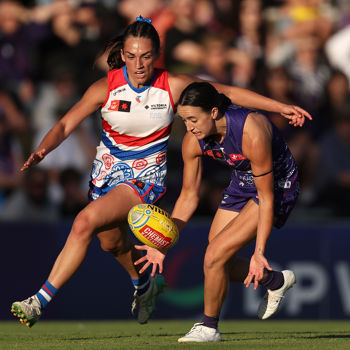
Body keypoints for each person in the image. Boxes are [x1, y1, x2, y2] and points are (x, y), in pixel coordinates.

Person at [10, 16, 310, 328]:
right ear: (123, 55)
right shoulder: (106, 87)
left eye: (146, 56)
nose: (139, 64)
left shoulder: (173, 85)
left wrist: (278, 107)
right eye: (132, 56)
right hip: (106, 175)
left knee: (84, 222)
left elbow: (226, 92)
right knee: (111, 244)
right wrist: (44, 148)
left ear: (157, 54)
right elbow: (64, 124)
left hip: (145, 179)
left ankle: (38, 301)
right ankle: (144, 285)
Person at [135, 82, 302, 342]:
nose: (188, 127)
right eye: (184, 120)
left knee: (214, 256)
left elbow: (266, 196)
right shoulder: (193, 141)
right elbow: (189, 196)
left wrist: (260, 253)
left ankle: (209, 328)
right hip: (241, 183)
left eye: (193, 119)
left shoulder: (251, 130)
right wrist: (163, 243)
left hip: (277, 185)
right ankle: (275, 281)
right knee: (216, 260)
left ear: (213, 112)